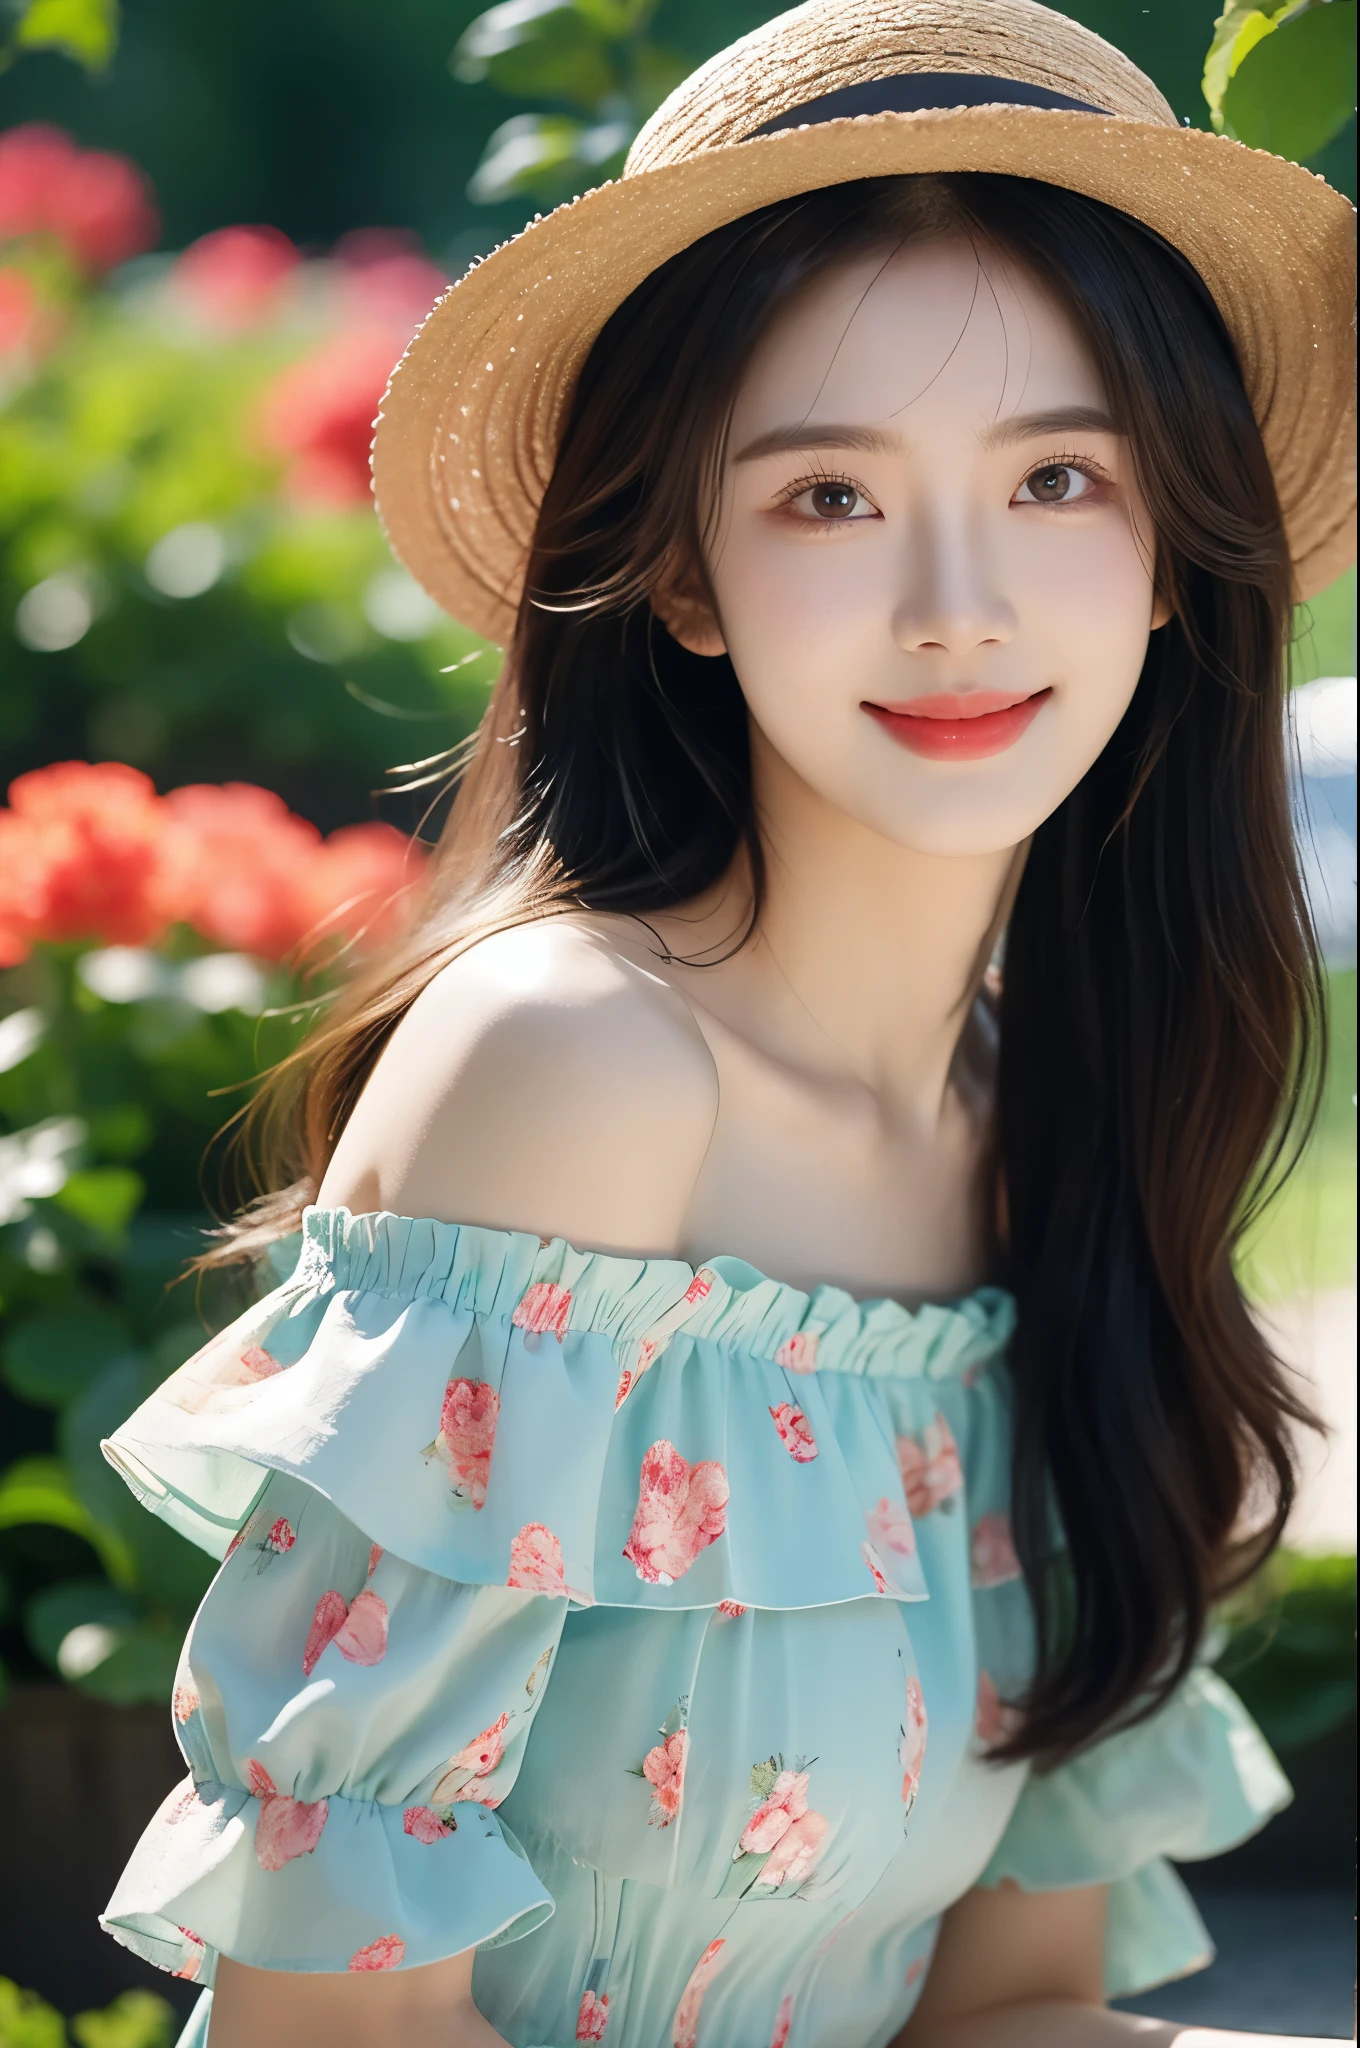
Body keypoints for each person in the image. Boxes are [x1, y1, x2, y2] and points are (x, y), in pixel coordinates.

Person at [98, 2, 1355, 2044]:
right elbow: (327, 2024)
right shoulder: (576, 1073)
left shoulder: (1060, 1127)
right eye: (829, 501)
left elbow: (1001, 2012)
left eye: (1053, 476)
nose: (954, 599)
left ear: (1164, 558)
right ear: (680, 576)